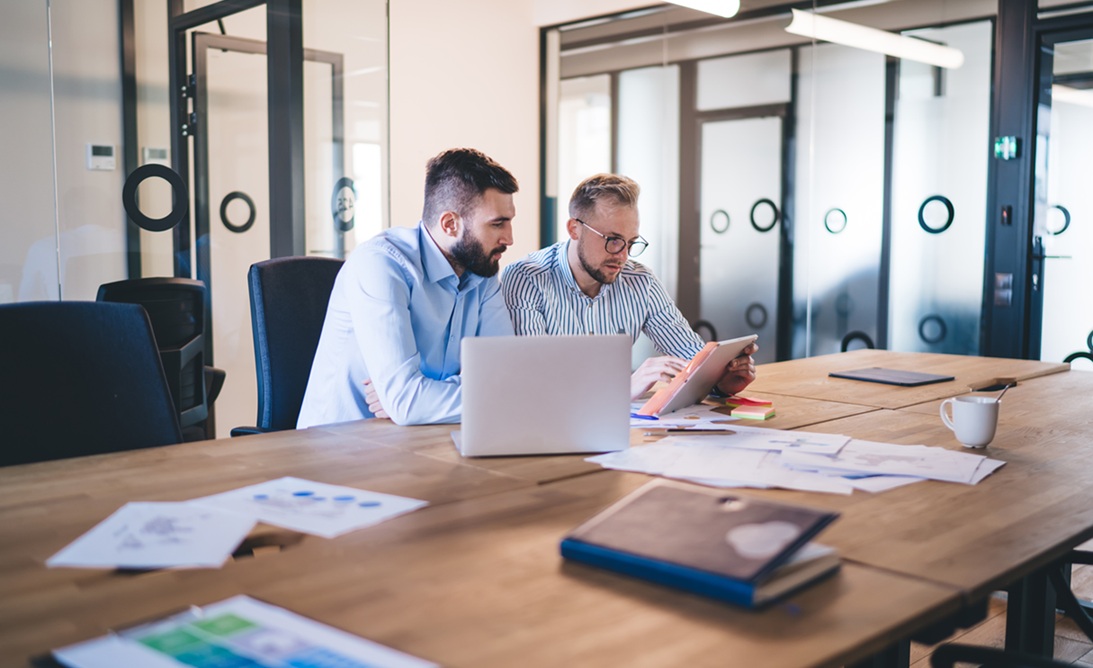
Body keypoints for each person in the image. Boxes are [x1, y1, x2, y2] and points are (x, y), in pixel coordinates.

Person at [297, 148, 518, 428]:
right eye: (498, 224)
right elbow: (408, 403)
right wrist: (413, 400)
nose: (509, 238)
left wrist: (422, 398)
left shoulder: (482, 272)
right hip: (338, 448)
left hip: (425, 439)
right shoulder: (381, 264)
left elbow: (509, 379)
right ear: (450, 224)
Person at [502, 173, 757, 401]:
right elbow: (534, 385)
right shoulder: (527, 279)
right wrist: (626, 386)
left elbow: (692, 360)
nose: (623, 256)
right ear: (574, 229)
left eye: (631, 242)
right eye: (612, 240)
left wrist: (722, 381)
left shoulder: (640, 281)